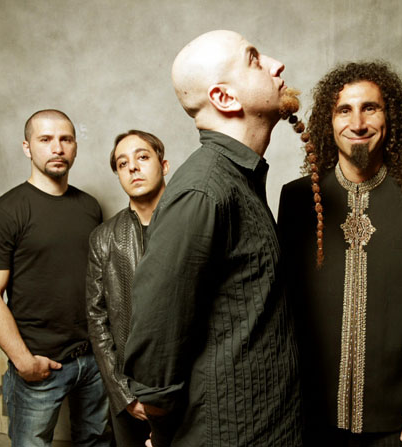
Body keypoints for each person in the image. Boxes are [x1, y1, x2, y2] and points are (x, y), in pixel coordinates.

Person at [123, 30, 303, 447]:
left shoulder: (239, 178)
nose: (276, 64)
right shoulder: (203, 191)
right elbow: (154, 339)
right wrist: (166, 429)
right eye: (254, 59)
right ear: (224, 98)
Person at [278, 61, 402, 446]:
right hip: (310, 414)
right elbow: (282, 308)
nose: (357, 123)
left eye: (370, 108)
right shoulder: (296, 200)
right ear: (328, 123)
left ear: (390, 117)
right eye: (344, 110)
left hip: (401, 417)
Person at [0, 109, 110, 446]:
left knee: (96, 440)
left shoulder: (89, 206)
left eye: (65, 139)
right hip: (39, 363)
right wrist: (23, 361)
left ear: (75, 147)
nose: (57, 148)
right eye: (45, 139)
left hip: (93, 357)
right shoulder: (3, 213)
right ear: (27, 147)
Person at [86, 130, 169, 447]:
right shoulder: (103, 238)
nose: (132, 167)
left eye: (142, 157)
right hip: (130, 393)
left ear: (164, 165)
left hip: (188, 390)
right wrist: (124, 394)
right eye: (122, 163)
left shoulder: (192, 222)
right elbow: (97, 320)